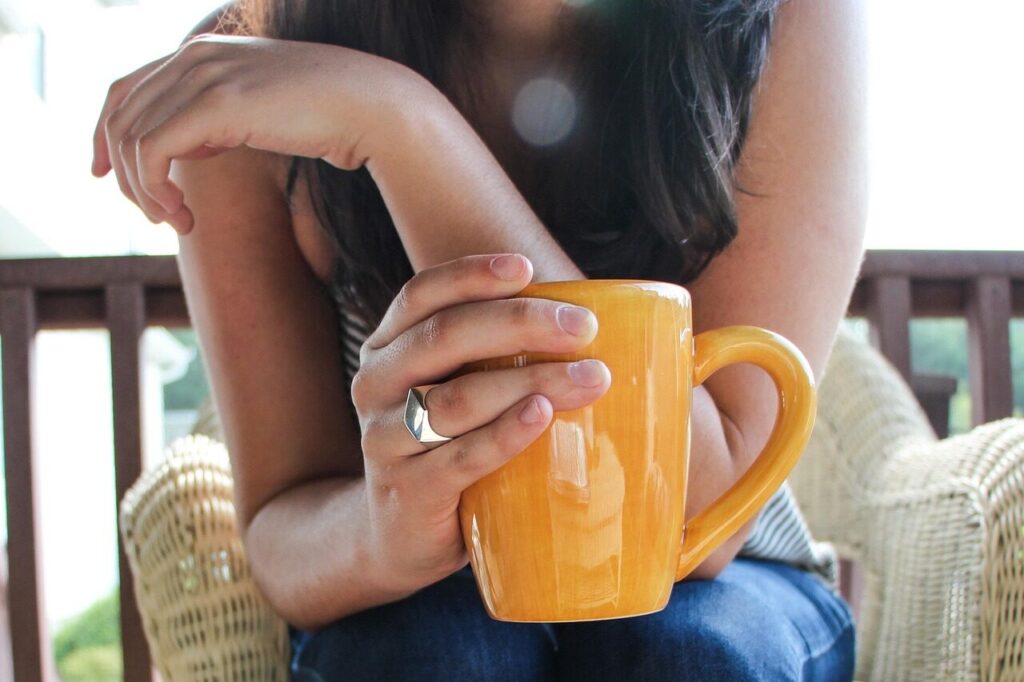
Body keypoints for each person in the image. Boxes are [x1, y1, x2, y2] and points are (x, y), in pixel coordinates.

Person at [92, 0, 865, 678]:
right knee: (435, 657)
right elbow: (281, 529)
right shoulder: (246, 75)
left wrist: (400, 126)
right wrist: (382, 533)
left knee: (689, 652)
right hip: (411, 597)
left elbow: (699, 520)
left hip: (729, 585)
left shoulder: (783, 18)